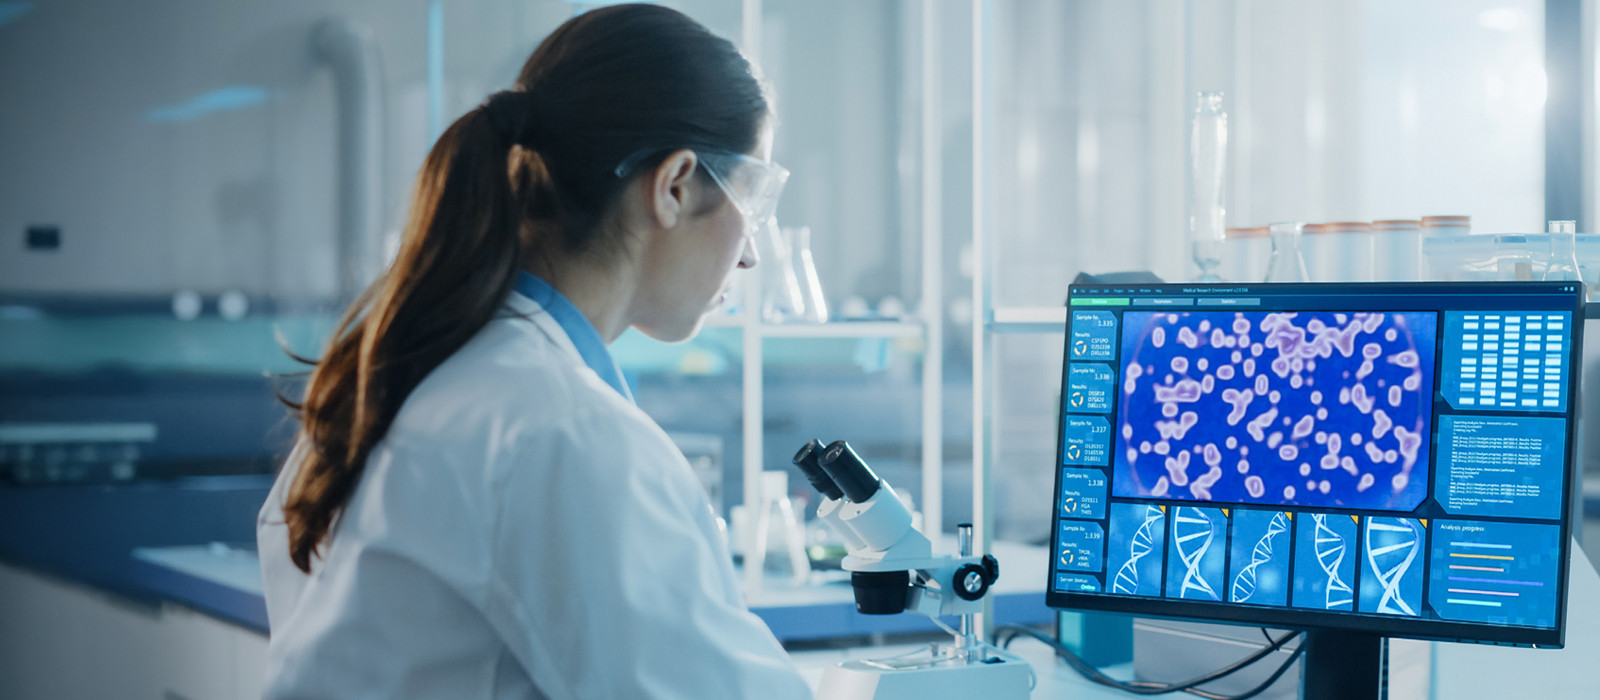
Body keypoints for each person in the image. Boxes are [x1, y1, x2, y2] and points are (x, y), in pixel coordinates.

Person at [256, 5, 811, 698]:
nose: (753, 252)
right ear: (673, 186)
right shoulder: (565, 433)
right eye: (752, 202)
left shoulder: (387, 377)